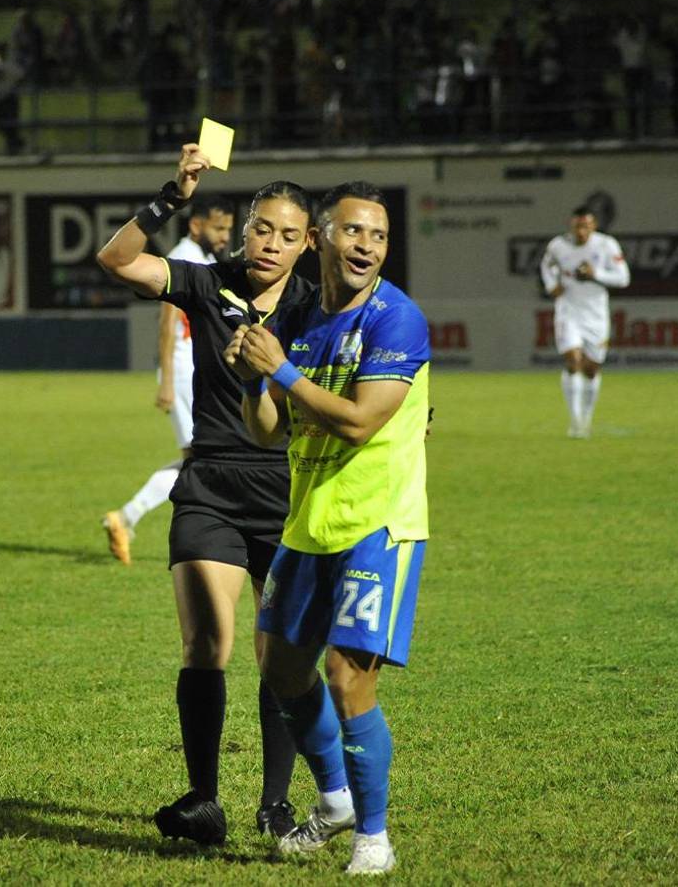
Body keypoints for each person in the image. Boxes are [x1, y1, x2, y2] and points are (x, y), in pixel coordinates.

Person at [96, 145, 311, 845]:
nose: (271, 244)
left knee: (278, 656)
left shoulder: (319, 308)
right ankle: (204, 800)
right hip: (211, 488)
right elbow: (118, 260)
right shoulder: (205, 281)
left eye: (287, 234)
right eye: (262, 229)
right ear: (243, 230)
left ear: (308, 244)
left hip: (290, 497)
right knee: (206, 643)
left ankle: (274, 803)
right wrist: (170, 197)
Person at [225, 181, 431, 875]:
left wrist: (278, 366)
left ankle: (374, 836)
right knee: (282, 668)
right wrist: (256, 380)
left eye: (377, 235)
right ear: (321, 240)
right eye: (353, 232)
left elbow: (360, 420)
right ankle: (336, 799)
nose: (367, 246)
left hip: (379, 521)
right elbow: (267, 431)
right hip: (308, 522)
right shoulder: (304, 320)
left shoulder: (396, 319)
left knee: (347, 678)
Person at [102, 194, 235, 565]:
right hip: (181, 371)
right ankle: (127, 517)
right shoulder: (182, 258)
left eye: (228, 228)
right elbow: (167, 322)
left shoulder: (205, 259)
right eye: (219, 228)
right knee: (201, 459)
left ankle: (126, 517)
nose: (225, 236)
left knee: (202, 458)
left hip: (196, 370)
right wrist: (165, 380)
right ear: (196, 225)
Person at [539, 206, 631, 438]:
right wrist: (551, 285)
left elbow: (623, 278)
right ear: (571, 225)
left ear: (594, 226)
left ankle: (587, 419)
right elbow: (546, 265)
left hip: (596, 314)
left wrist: (595, 275)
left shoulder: (607, 245)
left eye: (586, 226)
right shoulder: (558, 246)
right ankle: (575, 421)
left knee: (591, 370)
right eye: (577, 226)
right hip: (568, 310)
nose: (581, 231)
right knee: (572, 360)